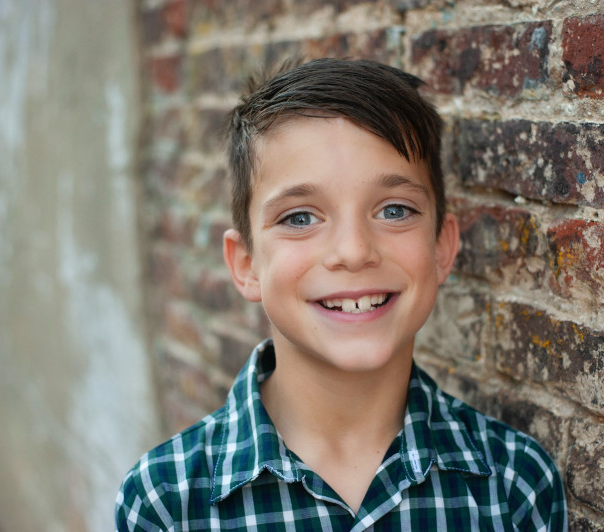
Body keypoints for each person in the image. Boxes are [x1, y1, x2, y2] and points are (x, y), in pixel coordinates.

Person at [115, 58, 567, 531]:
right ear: (246, 265)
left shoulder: (515, 485)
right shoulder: (166, 503)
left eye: (394, 210)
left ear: (441, 248)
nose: (353, 252)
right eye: (299, 218)